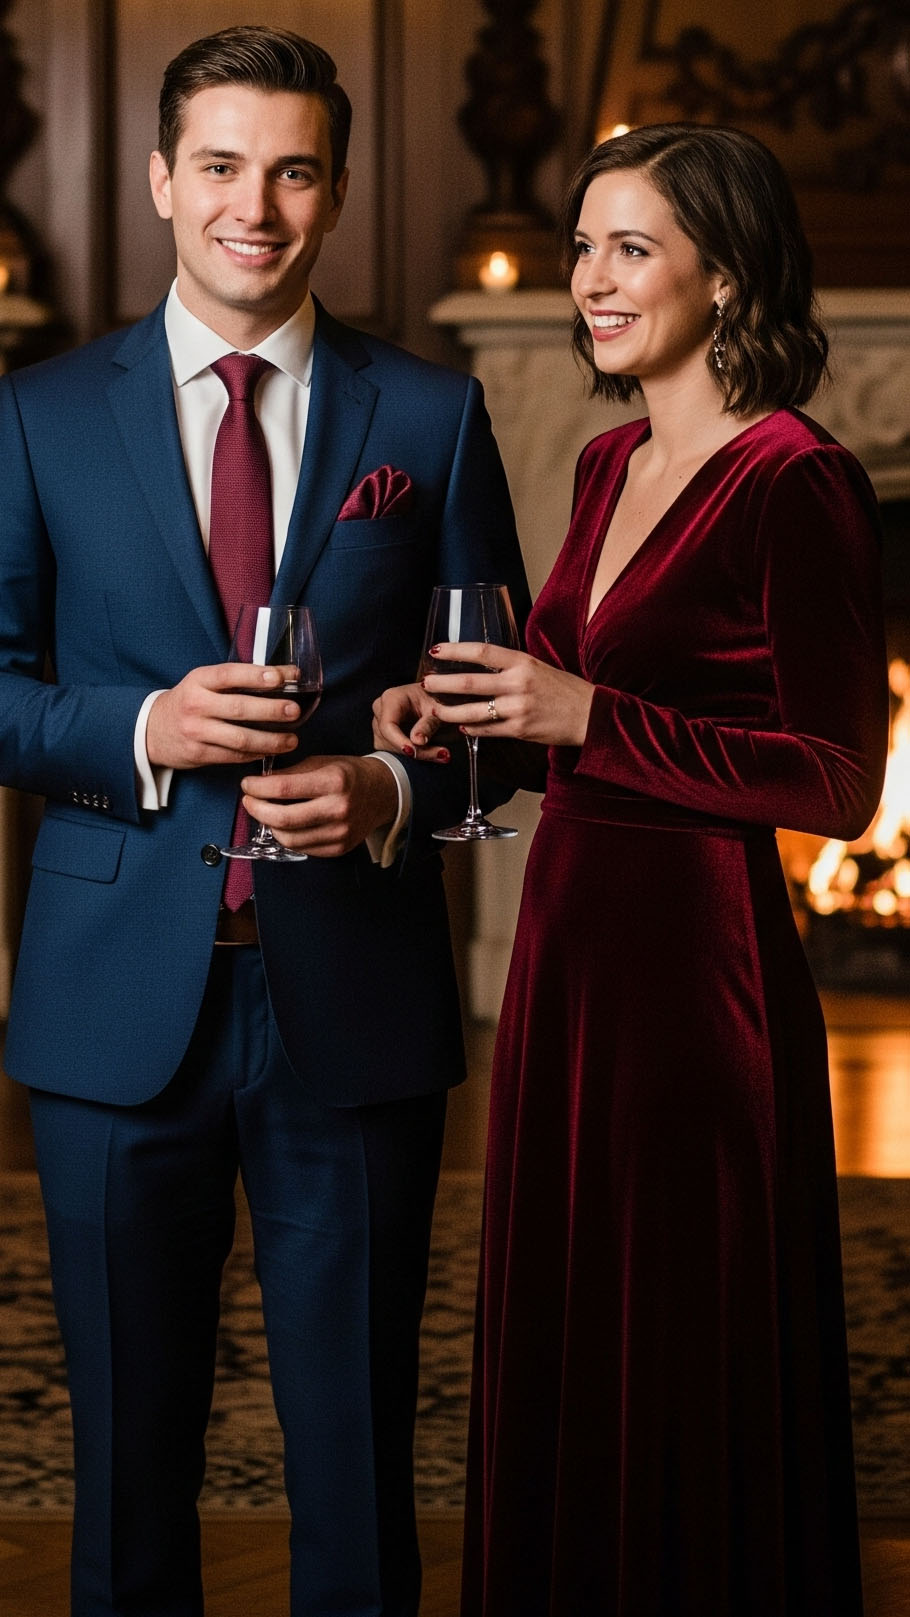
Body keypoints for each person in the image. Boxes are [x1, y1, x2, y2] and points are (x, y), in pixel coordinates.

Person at [0, 24, 529, 1617]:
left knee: (360, 1466)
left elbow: (496, 726)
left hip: (349, 1006)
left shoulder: (427, 419)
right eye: (221, 165)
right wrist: (142, 727)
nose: (255, 204)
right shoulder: (34, 416)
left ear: (338, 192)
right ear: (162, 179)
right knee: (126, 1475)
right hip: (109, 1011)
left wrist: (386, 791)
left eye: (293, 169)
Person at [373, 124, 888, 1615]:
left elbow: (836, 783)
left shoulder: (797, 479)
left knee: (678, 1330)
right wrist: (466, 718)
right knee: (567, 1321)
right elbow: (559, 708)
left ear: (723, 275)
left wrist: (583, 710)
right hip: (568, 951)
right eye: (581, 248)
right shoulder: (607, 459)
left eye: (630, 249)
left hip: (697, 978)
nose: (587, 281)